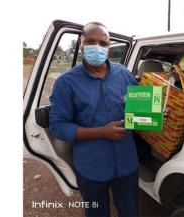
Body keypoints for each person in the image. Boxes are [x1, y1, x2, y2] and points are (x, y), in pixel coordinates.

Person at [49, 22, 139, 217]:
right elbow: (58, 127)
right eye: (91, 41)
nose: (97, 47)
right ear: (81, 44)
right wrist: (101, 132)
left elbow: (139, 108)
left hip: (126, 162)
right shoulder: (66, 83)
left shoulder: (124, 74)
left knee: (130, 211)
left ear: (109, 46)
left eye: (103, 43)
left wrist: (155, 114)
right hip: (92, 166)